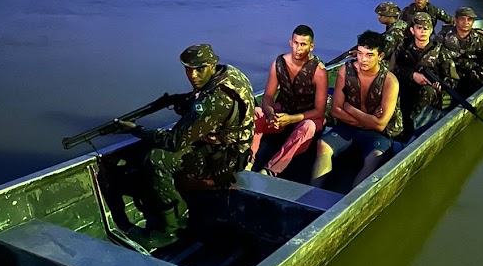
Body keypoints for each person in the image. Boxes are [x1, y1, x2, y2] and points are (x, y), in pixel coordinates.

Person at [116, 44, 255, 247]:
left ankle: (171, 229)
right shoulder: (229, 73)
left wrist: (135, 129)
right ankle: (176, 206)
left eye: (199, 69)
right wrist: (182, 101)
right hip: (224, 144)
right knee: (144, 153)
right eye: (188, 69)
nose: (192, 75)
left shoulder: (215, 100)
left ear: (212, 65)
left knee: (157, 159)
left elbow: (174, 141)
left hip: (226, 158)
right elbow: (203, 103)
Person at [311, 30, 402, 190]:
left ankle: (351, 200)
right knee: (322, 144)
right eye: (359, 54)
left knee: (375, 157)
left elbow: (380, 125)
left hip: (378, 134)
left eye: (369, 55)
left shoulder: (389, 81)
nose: (363, 59)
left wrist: (349, 107)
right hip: (349, 128)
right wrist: (367, 120)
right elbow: (336, 110)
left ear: (380, 56)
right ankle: (313, 193)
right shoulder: (346, 71)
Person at [248, 24, 327, 177]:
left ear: (311, 47)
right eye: (296, 43)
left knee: (308, 126)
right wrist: (271, 114)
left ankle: (270, 170)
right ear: (291, 43)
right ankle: (248, 161)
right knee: (257, 112)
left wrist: (290, 119)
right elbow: (268, 96)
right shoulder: (278, 63)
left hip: (307, 117)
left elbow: (319, 111)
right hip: (283, 111)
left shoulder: (319, 71)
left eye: (303, 44)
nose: (298, 48)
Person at [392, 11, 460, 140]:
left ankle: (410, 126)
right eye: (419, 28)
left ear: (431, 31)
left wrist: (441, 86)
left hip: (428, 93)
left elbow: (452, 80)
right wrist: (412, 75)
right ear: (412, 30)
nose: (423, 31)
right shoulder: (403, 46)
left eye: (426, 28)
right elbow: (393, 69)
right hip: (405, 86)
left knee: (426, 91)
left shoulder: (440, 52)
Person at [440, 6, 483, 96]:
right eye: (462, 19)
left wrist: (477, 74)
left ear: (473, 22)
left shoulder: (480, 40)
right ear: (456, 21)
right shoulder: (444, 35)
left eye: (469, 19)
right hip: (448, 76)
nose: (466, 22)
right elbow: (433, 54)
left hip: (470, 78)